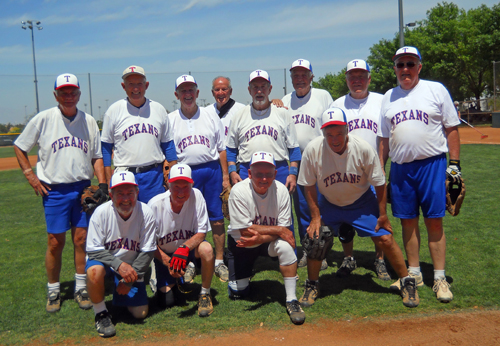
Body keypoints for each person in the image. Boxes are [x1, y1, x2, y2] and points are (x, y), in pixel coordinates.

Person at [297, 107, 419, 309]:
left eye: (339, 133)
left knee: (385, 237)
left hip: (361, 201)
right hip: (330, 203)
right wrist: (316, 216)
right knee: (316, 239)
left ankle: (407, 282)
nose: (334, 139)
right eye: (329, 135)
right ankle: (312, 284)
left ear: (347, 130)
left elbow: (379, 183)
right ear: (323, 133)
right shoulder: (313, 149)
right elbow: (307, 184)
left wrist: (382, 215)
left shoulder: (362, 148)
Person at [14, 73, 106, 313]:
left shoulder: (88, 121)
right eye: (63, 92)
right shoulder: (43, 119)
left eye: (72, 92)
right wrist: (30, 175)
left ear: (79, 94)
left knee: (82, 239)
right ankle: (54, 289)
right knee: (55, 242)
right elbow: (20, 146)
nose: (68, 96)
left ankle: (80, 286)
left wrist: (103, 184)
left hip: (82, 188)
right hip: (54, 190)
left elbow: (97, 155)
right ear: (55, 95)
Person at [379, 46, 461, 303]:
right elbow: (384, 138)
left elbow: (451, 128)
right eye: (400, 64)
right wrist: (381, 169)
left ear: (419, 66)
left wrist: (454, 165)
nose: (405, 69)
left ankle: (439, 278)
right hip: (402, 168)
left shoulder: (435, 89)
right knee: (407, 221)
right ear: (395, 68)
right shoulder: (388, 97)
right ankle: (414, 273)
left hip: (432, 166)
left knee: (434, 221)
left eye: (410, 64)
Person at [226, 151, 306, 325]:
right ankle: (243, 274)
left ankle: (292, 300)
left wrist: (263, 238)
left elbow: (284, 231)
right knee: (238, 293)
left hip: (265, 242)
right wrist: (277, 229)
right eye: (258, 174)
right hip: (242, 243)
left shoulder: (282, 191)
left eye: (268, 174)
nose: (264, 179)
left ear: (275, 174)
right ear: (249, 173)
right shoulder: (238, 191)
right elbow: (245, 231)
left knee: (285, 247)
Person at [331, 59, 390, 280]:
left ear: (369, 78)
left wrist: (382, 166)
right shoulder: (337, 105)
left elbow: (386, 137)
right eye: (352, 77)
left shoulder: (382, 101)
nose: (357, 80)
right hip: (344, 172)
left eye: (361, 76)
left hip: (373, 170)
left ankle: (380, 260)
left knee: (378, 217)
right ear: (346, 80)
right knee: (345, 219)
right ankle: (348, 258)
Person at [226, 70, 301, 239]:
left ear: (270, 89)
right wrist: (232, 171)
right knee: (249, 212)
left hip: (279, 168)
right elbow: (231, 149)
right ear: (249, 90)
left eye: (263, 87)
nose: (259, 91)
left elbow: (294, 148)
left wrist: (293, 173)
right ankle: (249, 252)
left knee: (282, 212)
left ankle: (287, 251)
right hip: (247, 169)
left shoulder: (282, 113)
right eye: (255, 87)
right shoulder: (239, 115)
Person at [169, 75, 229, 282]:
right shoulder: (171, 119)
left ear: (197, 93)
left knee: (217, 217)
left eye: (191, 90)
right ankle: (190, 261)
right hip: (185, 174)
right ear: (177, 94)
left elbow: (222, 148)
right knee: (187, 218)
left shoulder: (211, 115)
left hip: (212, 171)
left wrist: (225, 178)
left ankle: (219, 261)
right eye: (183, 91)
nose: (187, 94)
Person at [86, 171, 157, 338]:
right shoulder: (101, 213)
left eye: (130, 193)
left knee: (140, 313)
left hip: (132, 268)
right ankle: (101, 312)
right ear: (111, 195)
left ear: (137, 193)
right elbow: (92, 249)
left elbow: (148, 252)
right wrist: (119, 265)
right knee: (94, 271)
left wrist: (129, 279)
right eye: (120, 194)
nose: (126, 199)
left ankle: (118, 291)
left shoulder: (145, 212)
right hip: (105, 264)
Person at [281, 59, 333, 270]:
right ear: (291, 78)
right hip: (297, 161)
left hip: (321, 159)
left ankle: (323, 251)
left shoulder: (323, 96)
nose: (300, 79)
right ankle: (309, 250)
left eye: (304, 74)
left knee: (321, 207)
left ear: (311, 76)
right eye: (296, 75)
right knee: (303, 208)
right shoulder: (285, 99)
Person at [101, 65, 177, 204]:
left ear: (146, 85)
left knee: (155, 220)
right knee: (126, 221)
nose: (135, 88)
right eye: (131, 84)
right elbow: (106, 149)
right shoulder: (113, 111)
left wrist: (173, 175)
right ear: (123, 86)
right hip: (124, 175)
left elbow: (168, 145)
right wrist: (107, 181)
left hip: (154, 176)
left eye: (139, 84)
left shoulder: (158, 109)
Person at [148, 164, 215, 317]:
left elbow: (201, 233)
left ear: (192, 185)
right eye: (176, 186)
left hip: (187, 251)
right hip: (165, 255)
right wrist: (168, 262)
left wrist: (184, 249)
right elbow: (149, 244)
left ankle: (205, 294)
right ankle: (169, 278)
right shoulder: (155, 205)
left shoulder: (196, 196)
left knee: (207, 249)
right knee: (167, 300)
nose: (181, 192)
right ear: (168, 185)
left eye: (185, 186)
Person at [205, 76, 246, 143]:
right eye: (217, 90)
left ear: (230, 91)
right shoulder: (206, 112)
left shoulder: (241, 110)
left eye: (224, 89)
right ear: (212, 93)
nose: (220, 93)